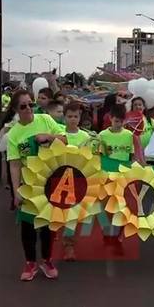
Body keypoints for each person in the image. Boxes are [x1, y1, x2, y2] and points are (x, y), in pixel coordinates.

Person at [7, 90, 66, 281]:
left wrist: (48, 136)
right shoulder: (14, 134)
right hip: (29, 185)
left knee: (48, 226)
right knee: (28, 227)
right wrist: (16, 192)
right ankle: (30, 263)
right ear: (16, 109)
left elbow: (64, 140)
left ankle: (47, 261)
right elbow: (14, 164)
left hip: (50, 182)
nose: (28, 109)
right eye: (23, 106)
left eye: (30, 104)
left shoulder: (45, 119)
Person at [62, 102, 92, 261]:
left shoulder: (85, 137)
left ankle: (69, 247)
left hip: (77, 179)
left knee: (71, 214)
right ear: (64, 117)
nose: (73, 119)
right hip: (58, 178)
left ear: (80, 118)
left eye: (76, 116)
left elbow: (88, 158)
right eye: (69, 116)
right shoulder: (58, 133)